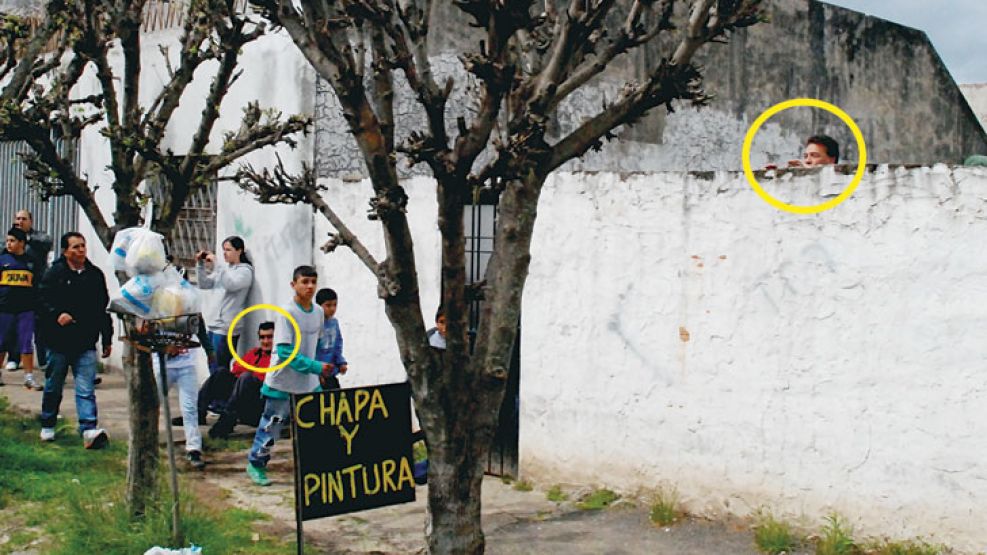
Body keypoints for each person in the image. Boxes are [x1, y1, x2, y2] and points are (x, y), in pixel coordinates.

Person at [246, 266, 332, 486]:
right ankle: (256, 463)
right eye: (305, 282)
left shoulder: (319, 312)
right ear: (294, 285)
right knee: (272, 424)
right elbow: (285, 352)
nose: (310, 286)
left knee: (316, 424)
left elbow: (319, 343)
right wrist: (315, 366)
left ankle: (314, 467)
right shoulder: (287, 313)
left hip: (309, 382)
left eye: (313, 281)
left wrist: (326, 366)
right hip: (282, 380)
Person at [37, 232, 113, 448]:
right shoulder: (54, 274)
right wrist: (56, 314)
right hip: (58, 341)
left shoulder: (95, 275)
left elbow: (102, 309)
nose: (80, 250)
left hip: (85, 341)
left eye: (83, 246)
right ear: (65, 251)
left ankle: (88, 428)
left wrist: (107, 338)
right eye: (75, 247)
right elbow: (42, 301)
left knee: (85, 387)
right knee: (54, 385)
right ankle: (48, 423)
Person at [196, 236, 253, 415]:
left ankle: (221, 403)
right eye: (223, 250)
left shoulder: (245, 271)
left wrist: (218, 265)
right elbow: (205, 284)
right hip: (213, 323)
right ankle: (214, 399)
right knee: (213, 362)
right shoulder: (225, 269)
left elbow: (231, 284)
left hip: (228, 326)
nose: (225, 254)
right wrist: (200, 266)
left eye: (228, 250)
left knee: (221, 366)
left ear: (239, 250)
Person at [209, 321, 274, 439]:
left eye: (269, 337)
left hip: (261, 409)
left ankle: (226, 422)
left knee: (246, 378)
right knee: (221, 373)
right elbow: (236, 369)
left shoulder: (280, 358)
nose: (265, 341)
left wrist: (251, 375)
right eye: (262, 337)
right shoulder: (254, 353)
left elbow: (269, 382)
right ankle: (197, 412)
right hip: (244, 404)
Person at [153, 342, 208, 469]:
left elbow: (198, 327)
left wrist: (209, 350)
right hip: (162, 364)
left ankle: (194, 449)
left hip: (187, 364)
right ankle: (148, 443)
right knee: (153, 405)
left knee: (190, 409)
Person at [0, 227, 42, 389]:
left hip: (26, 309)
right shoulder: (2, 260)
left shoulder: (31, 262)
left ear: (22, 243)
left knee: (26, 343)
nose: (9, 244)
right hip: (4, 308)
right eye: (8, 241)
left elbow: (38, 284)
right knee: (1, 342)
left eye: (12, 241)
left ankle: (29, 376)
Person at [315, 288, 347, 390]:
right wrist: (316, 373)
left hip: (331, 371)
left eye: (335, 305)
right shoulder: (313, 325)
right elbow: (311, 350)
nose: (332, 308)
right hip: (317, 373)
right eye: (328, 305)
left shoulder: (334, 323)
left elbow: (337, 344)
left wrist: (341, 362)